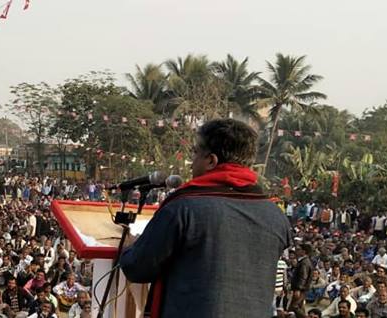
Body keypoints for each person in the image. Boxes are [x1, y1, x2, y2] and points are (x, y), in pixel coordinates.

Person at [118, 119, 292, 317]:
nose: (192, 164)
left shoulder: (183, 208)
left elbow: (138, 267)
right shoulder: (276, 216)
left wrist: (131, 245)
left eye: (195, 154)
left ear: (211, 160)